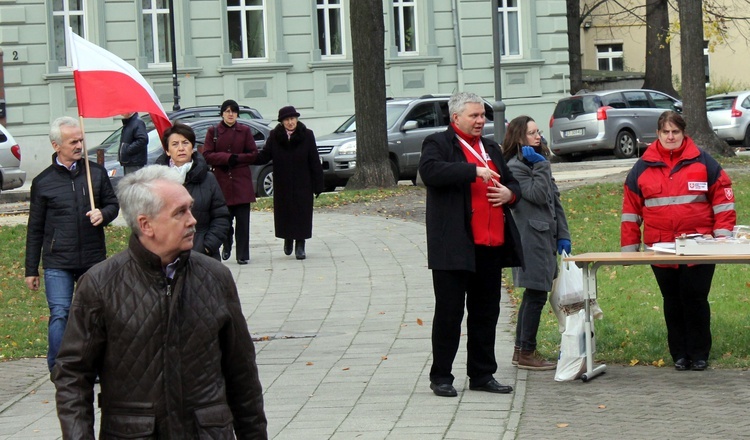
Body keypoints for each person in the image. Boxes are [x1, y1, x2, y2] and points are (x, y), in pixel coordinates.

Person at [52, 166, 268, 438]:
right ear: (146, 225)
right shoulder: (100, 285)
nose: (193, 221)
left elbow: (243, 375)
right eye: (180, 212)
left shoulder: (216, 278)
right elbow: (72, 376)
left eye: (190, 209)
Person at [418, 91, 524, 397]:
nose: (481, 121)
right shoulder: (438, 143)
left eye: (482, 116)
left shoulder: (491, 147)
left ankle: (482, 374)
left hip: (490, 244)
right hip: (454, 246)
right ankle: (441, 376)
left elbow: (512, 183)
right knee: (450, 313)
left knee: (486, 312)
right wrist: (472, 171)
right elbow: (430, 172)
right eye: (474, 116)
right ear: (456, 118)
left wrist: (510, 195)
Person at [621, 110, 736, 372]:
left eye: (675, 132)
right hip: (660, 247)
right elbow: (630, 211)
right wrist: (629, 250)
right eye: (665, 132)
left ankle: (699, 354)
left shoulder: (704, 163)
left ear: (684, 133)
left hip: (700, 246)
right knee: (671, 300)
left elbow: (724, 200)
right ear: (658, 134)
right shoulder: (641, 168)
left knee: (695, 298)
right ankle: (679, 355)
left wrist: (723, 237)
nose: (670, 136)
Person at [24, 116, 119, 372]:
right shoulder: (43, 182)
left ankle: (95, 366)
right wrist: (31, 269)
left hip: (92, 257)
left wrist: (104, 214)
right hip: (58, 261)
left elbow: (113, 205)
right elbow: (35, 228)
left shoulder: (95, 173)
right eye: (73, 141)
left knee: (93, 315)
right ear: (56, 145)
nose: (79, 145)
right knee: (61, 314)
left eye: (81, 140)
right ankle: (59, 368)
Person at [502, 116, 571, 370]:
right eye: (531, 133)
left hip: (546, 238)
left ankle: (521, 350)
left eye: (538, 132)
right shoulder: (515, 167)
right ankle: (526, 352)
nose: (537, 136)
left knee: (534, 295)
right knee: (536, 295)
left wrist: (564, 233)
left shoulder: (536, 163)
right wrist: (541, 165)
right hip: (530, 240)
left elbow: (555, 201)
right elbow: (538, 196)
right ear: (520, 138)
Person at [254, 106, 324, 260]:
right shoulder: (275, 136)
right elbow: (265, 156)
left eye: (293, 119)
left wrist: (318, 183)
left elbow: (314, 160)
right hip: (283, 182)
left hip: (303, 182)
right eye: (287, 120)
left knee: (302, 213)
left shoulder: (307, 135)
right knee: (285, 213)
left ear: (297, 119)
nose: (290, 122)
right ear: (282, 122)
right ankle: (288, 238)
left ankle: (300, 245)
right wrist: (248, 156)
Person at [155, 122, 230, 259]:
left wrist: (207, 246)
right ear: (167, 151)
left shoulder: (208, 178)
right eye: (175, 144)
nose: (181, 148)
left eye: (185, 143)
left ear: (192, 147)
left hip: (203, 254)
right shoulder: (157, 180)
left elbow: (221, 216)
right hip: (168, 255)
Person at [202, 99, 259, 265]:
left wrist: (237, 159)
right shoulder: (213, 132)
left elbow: (253, 154)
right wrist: (227, 158)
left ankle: (242, 254)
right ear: (222, 114)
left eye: (233, 111)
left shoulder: (245, 131)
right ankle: (226, 243)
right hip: (222, 183)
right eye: (227, 111)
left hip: (241, 182)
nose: (230, 114)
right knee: (224, 220)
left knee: (243, 221)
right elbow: (207, 155)